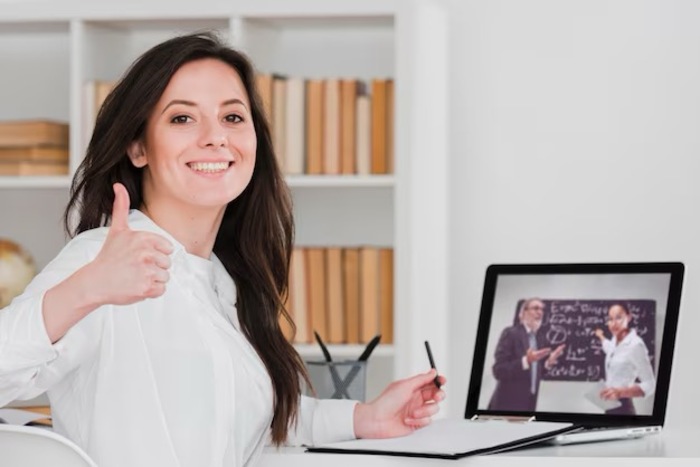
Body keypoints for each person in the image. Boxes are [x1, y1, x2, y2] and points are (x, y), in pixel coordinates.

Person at [0, 32, 446, 467]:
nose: (216, 137)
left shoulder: (219, 278)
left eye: (232, 117)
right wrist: (84, 290)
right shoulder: (103, 260)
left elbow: (246, 414)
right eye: (182, 119)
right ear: (138, 147)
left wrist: (366, 416)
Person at [488, 298, 565, 412]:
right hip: (507, 404)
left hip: (529, 402)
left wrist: (548, 363)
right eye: (536, 308)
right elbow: (498, 370)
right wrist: (525, 361)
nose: (540, 312)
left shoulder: (539, 338)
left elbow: (534, 373)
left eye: (542, 309)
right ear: (523, 313)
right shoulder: (511, 333)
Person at [593, 303, 655, 415]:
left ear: (629, 317)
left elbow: (650, 384)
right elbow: (609, 348)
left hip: (624, 408)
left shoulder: (635, 345)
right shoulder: (614, 340)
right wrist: (600, 336)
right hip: (609, 405)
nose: (614, 323)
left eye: (618, 318)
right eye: (610, 319)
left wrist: (621, 392)